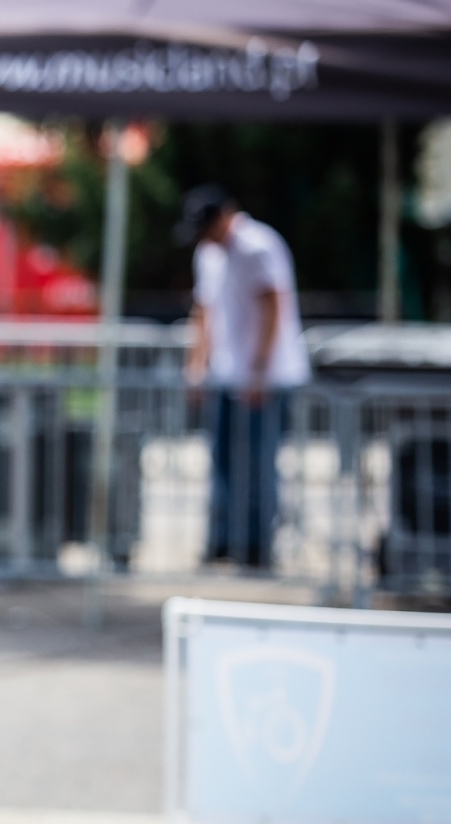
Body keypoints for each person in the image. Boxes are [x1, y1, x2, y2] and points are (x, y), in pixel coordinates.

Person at [179, 184, 310, 570]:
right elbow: (203, 311)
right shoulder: (208, 253)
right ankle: (224, 539)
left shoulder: (258, 245)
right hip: (227, 373)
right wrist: (197, 364)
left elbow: (274, 309)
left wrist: (258, 373)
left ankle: (257, 546)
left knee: (257, 462)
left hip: (264, 377)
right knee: (223, 460)